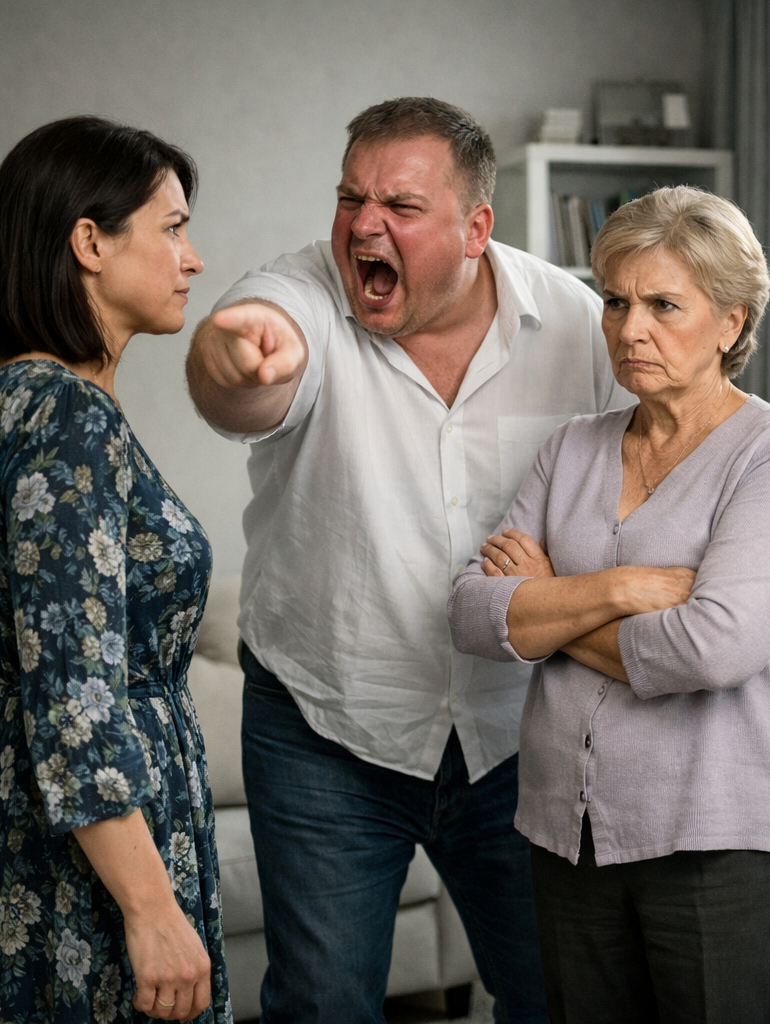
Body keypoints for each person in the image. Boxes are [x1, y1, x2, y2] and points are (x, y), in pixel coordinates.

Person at [185, 96, 629, 1023]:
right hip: (325, 728)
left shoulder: (576, 323)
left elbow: (641, 482)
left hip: (518, 735)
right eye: (351, 198)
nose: (363, 225)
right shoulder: (299, 295)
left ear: (476, 229)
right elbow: (241, 379)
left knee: (558, 999)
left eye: (399, 205)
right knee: (321, 1006)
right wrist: (231, 364)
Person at [448, 185, 770, 1024]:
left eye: (664, 305)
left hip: (729, 841)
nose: (630, 330)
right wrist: (614, 590)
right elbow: (473, 613)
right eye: (616, 302)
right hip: (571, 836)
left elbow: (711, 649)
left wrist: (548, 605)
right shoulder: (570, 448)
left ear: (731, 321)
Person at [0, 116, 229, 1023]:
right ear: (90, 242)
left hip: (3, 802)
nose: (192, 258)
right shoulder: (66, 416)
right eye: (172, 228)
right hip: (93, 858)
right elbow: (76, 693)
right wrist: (151, 910)